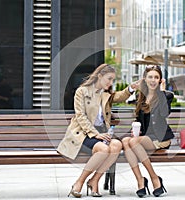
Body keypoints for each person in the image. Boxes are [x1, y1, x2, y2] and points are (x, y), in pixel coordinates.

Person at [57, 64, 139, 198]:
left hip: (101, 133)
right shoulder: (82, 91)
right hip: (83, 134)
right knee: (104, 150)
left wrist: (131, 88)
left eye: (113, 79)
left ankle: (94, 180)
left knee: (117, 145)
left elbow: (120, 96)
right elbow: (80, 116)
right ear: (100, 76)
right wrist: (96, 134)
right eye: (109, 78)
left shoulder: (106, 94)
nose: (111, 82)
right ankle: (79, 182)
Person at [121, 65, 174, 198]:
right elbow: (139, 120)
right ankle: (140, 179)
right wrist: (133, 131)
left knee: (132, 142)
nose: (153, 80)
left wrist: (162, 92)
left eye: (156, 77)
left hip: (160, 139)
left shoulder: (166, 95)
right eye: (150, 77)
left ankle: (154, 178)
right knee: (126, 141)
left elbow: (165, 113)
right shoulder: (141, 96)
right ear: (145, 79)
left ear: (160, 80)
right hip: (145, 138)